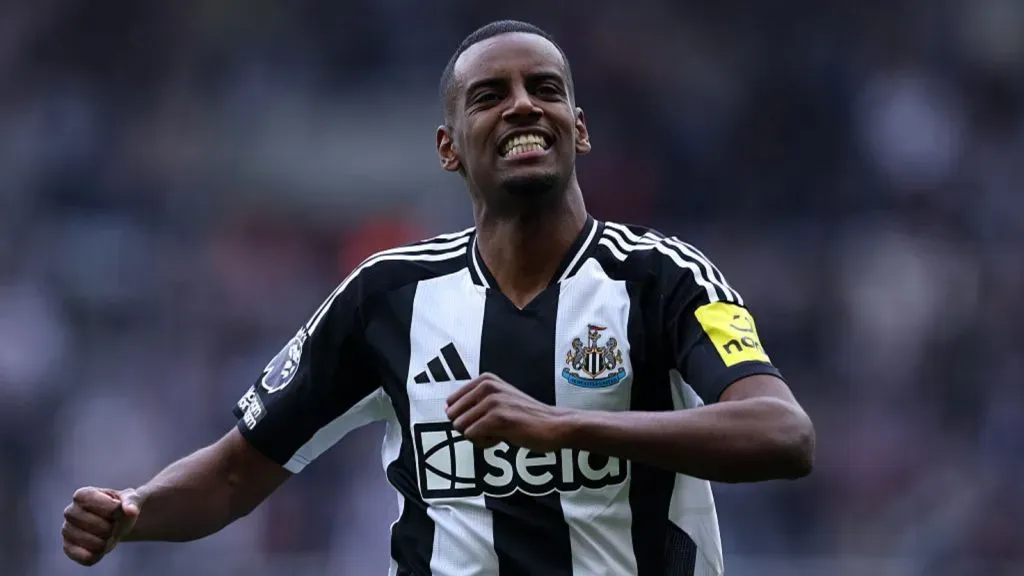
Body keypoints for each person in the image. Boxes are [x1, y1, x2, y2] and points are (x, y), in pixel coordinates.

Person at [61, 19, 815, 576]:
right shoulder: (386, 296)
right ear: (448, 147)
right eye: (490, 96)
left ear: (579, 130)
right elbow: (234, 473)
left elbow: (783, 435)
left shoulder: (661, 277)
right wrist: (137, 508)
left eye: (545, 89)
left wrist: (565, 427)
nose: (523, 106)